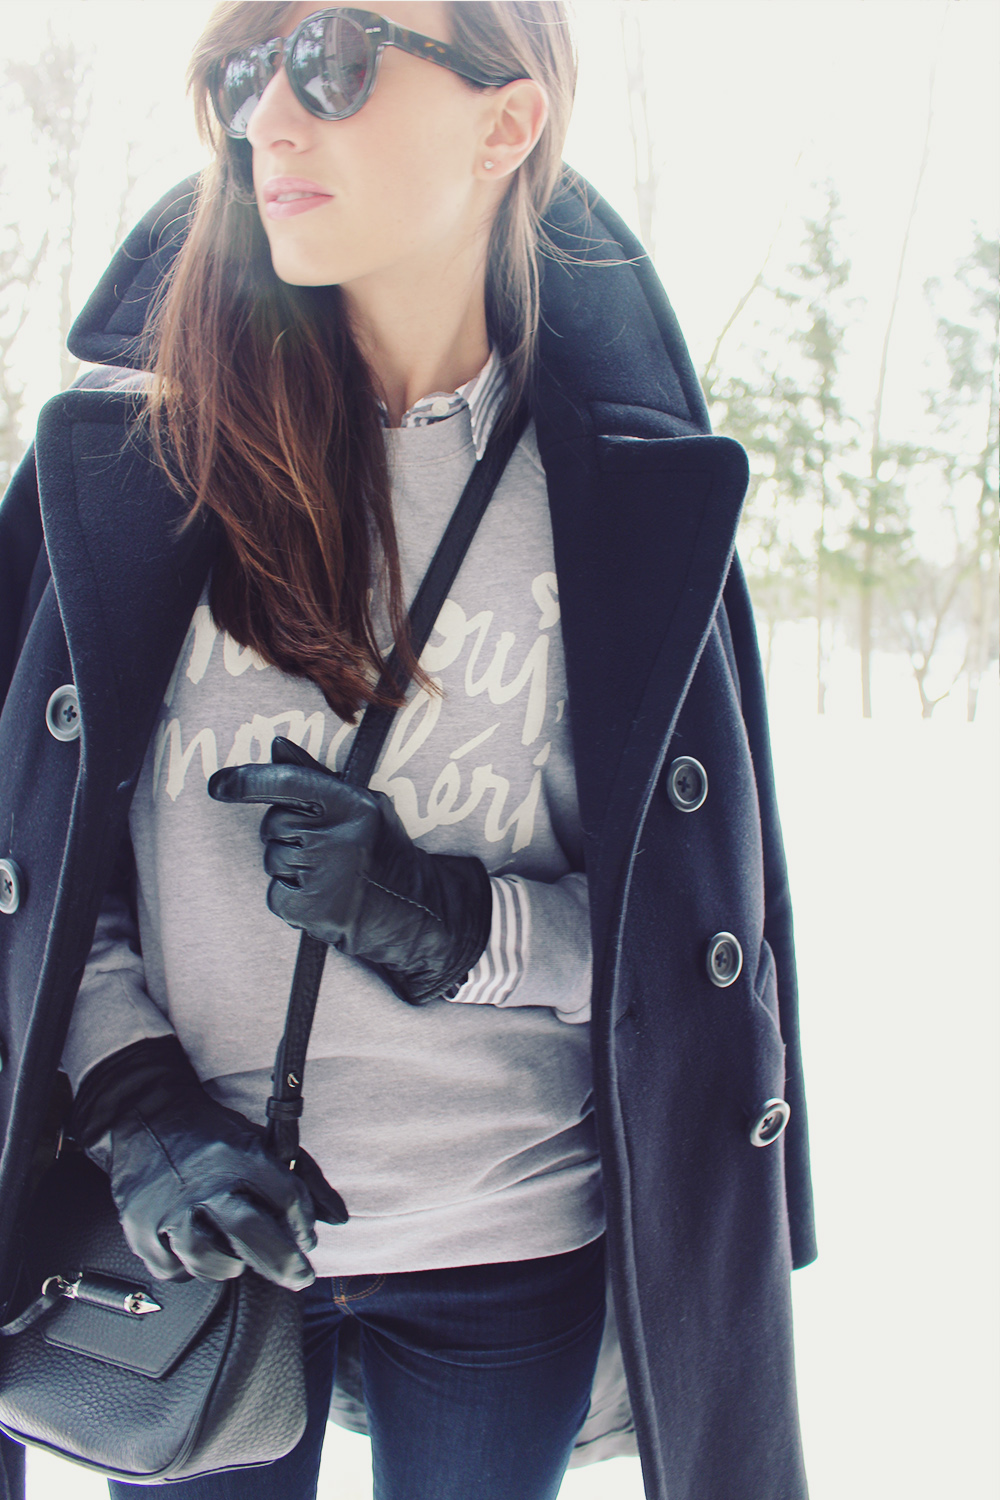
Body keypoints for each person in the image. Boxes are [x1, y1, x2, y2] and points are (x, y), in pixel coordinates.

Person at [0, 4, 816, 1498]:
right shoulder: (140, 458)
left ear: (508, 124)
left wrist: (447, 923)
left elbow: (679, 948)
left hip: (506, 1245)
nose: (270, 121)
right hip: (192, 1235)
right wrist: (133, 1107)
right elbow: (39, 873)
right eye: (246, 74)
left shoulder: (630, 500)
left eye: (337, 62)